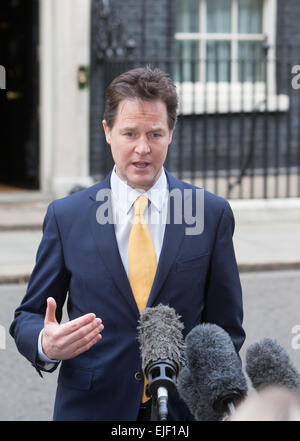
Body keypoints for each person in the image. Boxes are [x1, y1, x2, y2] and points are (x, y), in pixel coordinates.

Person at [10, 67, 245, 421]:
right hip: (91, 409)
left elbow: (225, 330)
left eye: (155, 134)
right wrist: (46, 344)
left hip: (181, 413)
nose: (142, 148)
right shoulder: (67, 216)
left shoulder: (210, 215)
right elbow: (27, 316)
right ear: (107, 132)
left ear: (171, 134)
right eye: (129, 133)